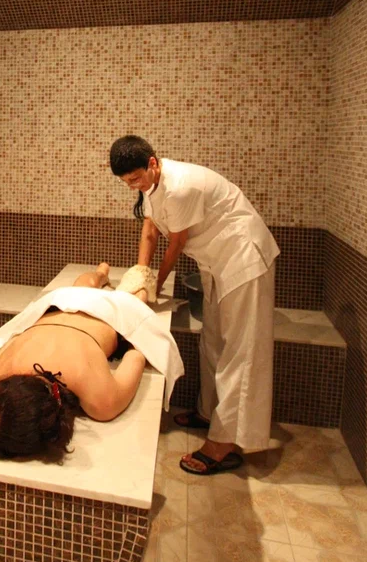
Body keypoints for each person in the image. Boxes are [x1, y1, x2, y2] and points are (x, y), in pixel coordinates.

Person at [109, 136, 279, 476]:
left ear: (152, 163)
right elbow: (150, 230)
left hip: (242, 259)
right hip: (217, 263)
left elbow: (177, 243)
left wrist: (155, 285)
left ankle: (224, 443)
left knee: (240, 351)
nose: (132, 187)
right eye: (126, 182)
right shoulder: (152, 184)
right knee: (212, 340)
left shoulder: (181, 187)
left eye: (135, 179)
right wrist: (142, 274)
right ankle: (208, 413)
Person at [0, 263, 184, 461]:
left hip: (110, 313)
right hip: (61, 301)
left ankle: (133, 284)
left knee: (137, 299)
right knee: (84, 286)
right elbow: (12, 341)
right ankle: (101, 274)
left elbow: (137, 353)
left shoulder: (102, 401)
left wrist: (125, 334)